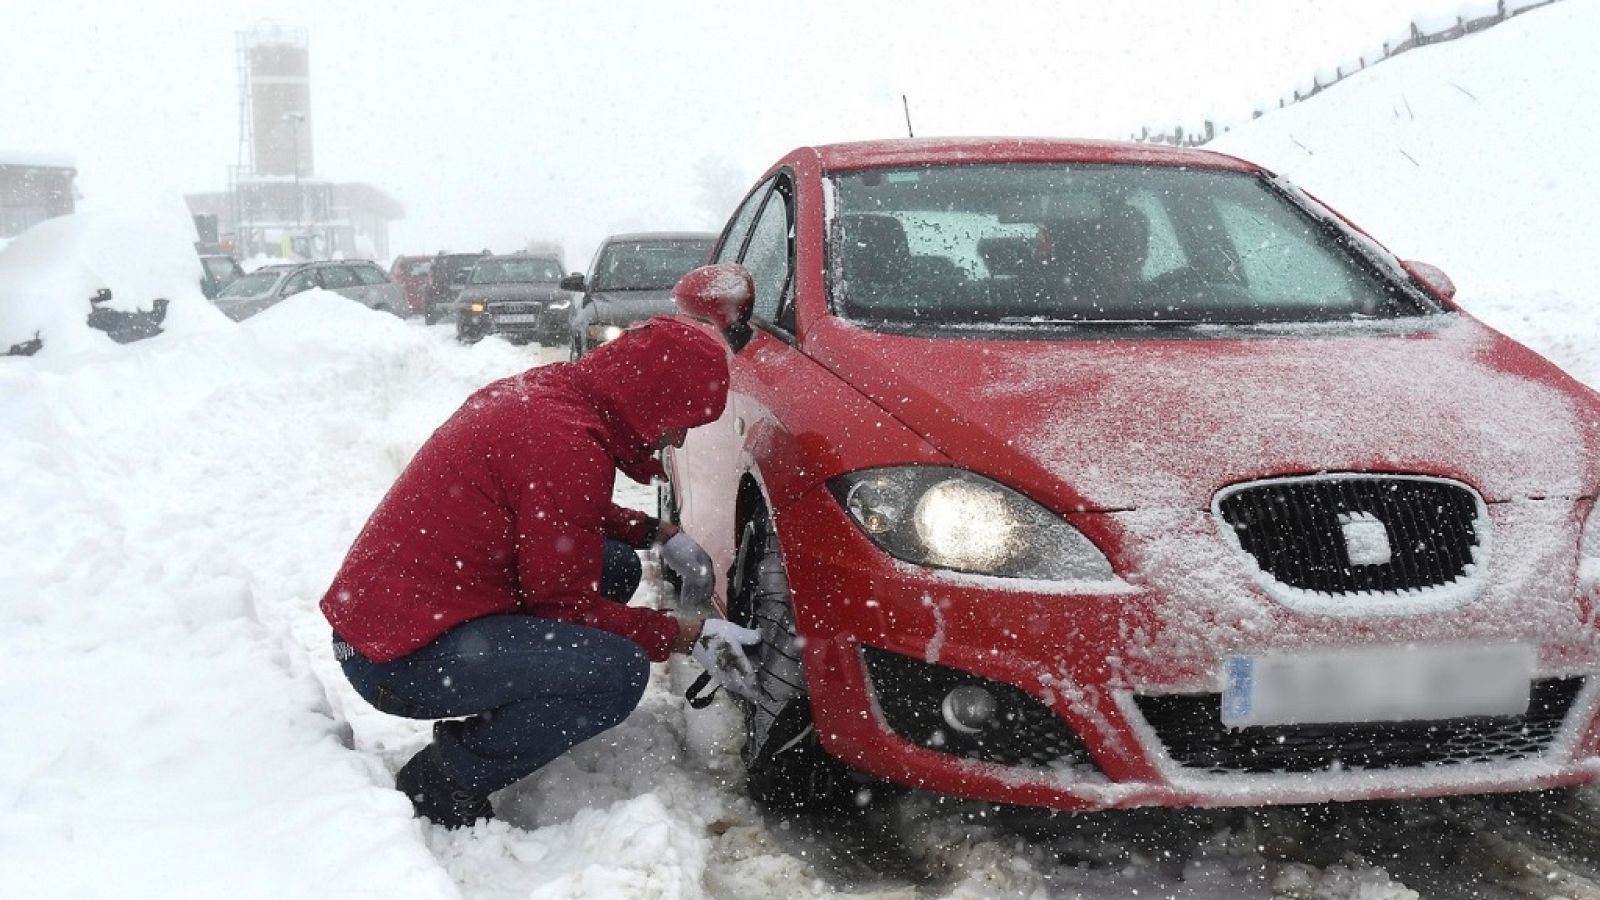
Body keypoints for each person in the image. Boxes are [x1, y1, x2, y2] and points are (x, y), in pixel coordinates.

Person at [320, 317, 761, 829]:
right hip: (396, 658)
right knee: (616, 673)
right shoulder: (564, 441)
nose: (678, 440)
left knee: (615, 567)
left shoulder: (555, 399)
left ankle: (520, 704)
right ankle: (446, 779)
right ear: (651, 400)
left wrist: (651, 532)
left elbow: (553, 504)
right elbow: (566, 610)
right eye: (681, 421)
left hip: (395, 622)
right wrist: (684, 635)